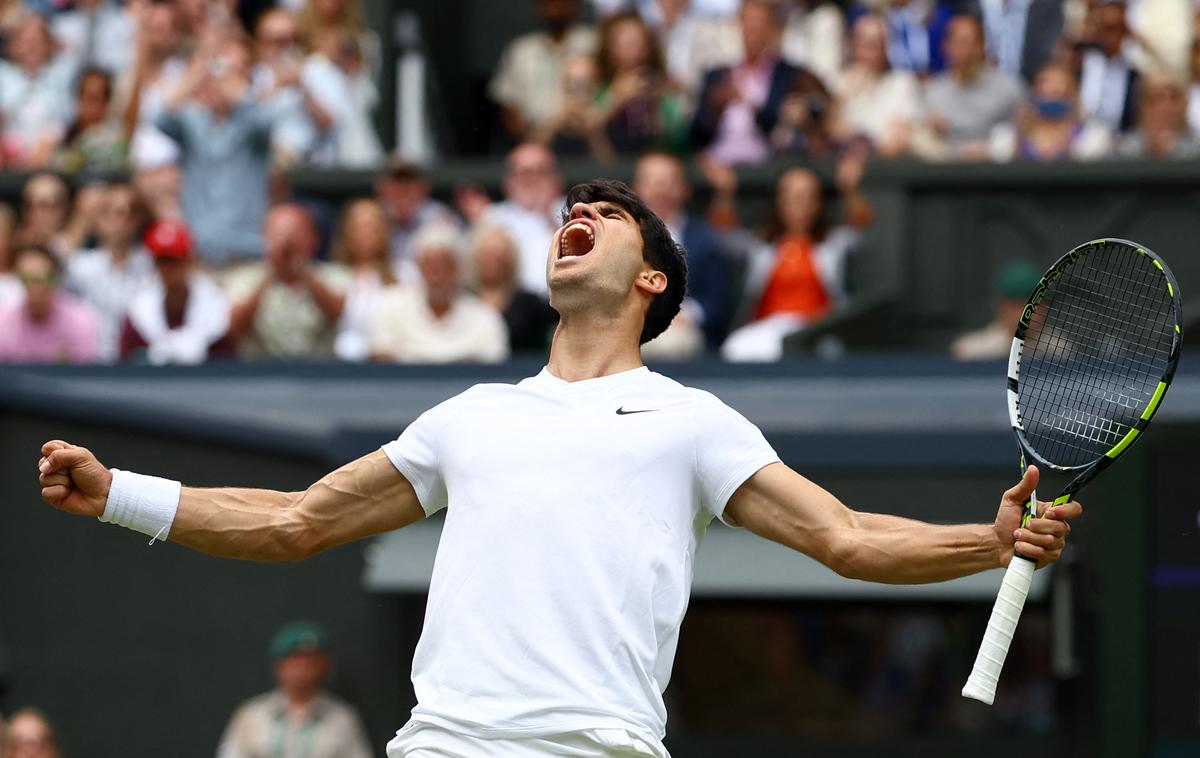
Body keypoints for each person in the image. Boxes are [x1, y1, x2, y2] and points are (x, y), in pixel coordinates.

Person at [34, 176, 1083, 756]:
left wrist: (985, 543)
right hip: (444, 743)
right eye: (569, 210)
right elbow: (294, 519)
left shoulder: (694, 421)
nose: (576, 216)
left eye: (610, 212)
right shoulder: (469, 415)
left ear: (654, 279)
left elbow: (846, 537)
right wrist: (117, 492)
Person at [721, 149, 873, 363]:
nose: (800, 204)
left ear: (819, 203)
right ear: (778, 201)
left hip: (814, 333)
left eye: (808, 196)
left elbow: (862, 227)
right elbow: (724, 235)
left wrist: (850, 189)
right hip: (767, 331)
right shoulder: (760, 246)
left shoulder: (833, 244)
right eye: (792, 196)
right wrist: (725, 192)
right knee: (736, 349)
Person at [156, 34, 272, 267]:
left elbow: (265, 123)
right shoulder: (193, 120)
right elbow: (161, 117)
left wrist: (236, 85)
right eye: (219, 71)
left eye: (235, 71)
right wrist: (197, 70)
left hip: (248, 251)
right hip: (199, 249)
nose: (222, 80)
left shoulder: (253, 118)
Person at [216, 621, 373, 758]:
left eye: (310, 662)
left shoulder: (342, 718)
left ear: (324, 666)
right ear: (279, 667)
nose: (302, 669)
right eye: (295, 662)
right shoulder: (250, 716)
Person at [690, 0, 808, 165]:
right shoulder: (718, 74)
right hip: (717, 160)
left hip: (767, 165)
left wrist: (748, 103)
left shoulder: (789, 75)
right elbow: (697, 133)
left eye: (760, 25)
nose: (753, 33)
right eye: (748, 25)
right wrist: (714, 109)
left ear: (773, 30)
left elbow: (782, 128)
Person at [370, 223, 509, 364]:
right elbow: (381, 360)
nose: (437, 277)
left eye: (445, 266)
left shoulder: (485, 318)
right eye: (430, 267)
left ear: (459, 270)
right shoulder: (390, 306)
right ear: (418, 268)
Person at [632, 150, 730, 350]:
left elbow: (717, 302)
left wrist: (682, 314)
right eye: (651, 182)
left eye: (668, 182)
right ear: (635, 189)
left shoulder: (706, 239)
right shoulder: (617, 236)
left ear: (685, 189)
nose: (660, 190)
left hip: (680, 331)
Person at [224, 204, 349, 359]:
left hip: (320, 374)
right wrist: (274, 272)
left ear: (314, 239)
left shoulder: (335, 275)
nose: (287, 242)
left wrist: (301, 271)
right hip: (259, 374)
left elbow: (343, 316)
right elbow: (233, 328)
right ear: (264, 239)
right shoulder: (244, 277)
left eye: (296, 233)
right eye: (277, 233)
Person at [119, 218, 233, 365]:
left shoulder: (215, 305)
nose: (169, 269)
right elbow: (125, 366)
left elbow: (227, 365)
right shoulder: (139, 309)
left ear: (189, 260)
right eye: (163, 261)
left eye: (174, 260)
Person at [65, 182, 156, 363]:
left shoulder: (153, 265)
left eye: (131, 213)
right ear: (99, 218)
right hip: (89, 362)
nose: (122, 220)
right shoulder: (79, 266)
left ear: (139, 219)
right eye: (113, 212)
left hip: (140, 364)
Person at [915, 14, 1024, 161]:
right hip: (946, 171)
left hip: (996, 171)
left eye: (968, 43)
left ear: (981, 47)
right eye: (957, 42)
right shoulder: (933, 92)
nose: (963, 50)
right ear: (946, 47)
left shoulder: (1009, 89)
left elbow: (1023, 135)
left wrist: (993, 149)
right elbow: (922, 143)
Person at [488, 0, 597, 141]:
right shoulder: (521, 50)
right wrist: (526, 141)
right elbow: (508, 102)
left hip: (586, 134)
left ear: (574, 6)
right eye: (548, 4)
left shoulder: (593, 43)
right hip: (535, 137)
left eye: (562, 3)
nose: (555, 8)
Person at [472, 142, 566, 297]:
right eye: (524, 172)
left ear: (555, 177)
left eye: (540, 171)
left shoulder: (571, 208)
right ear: (509, 180)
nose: (532, 180)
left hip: (564, 300)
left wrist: (547, 212)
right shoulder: (492, 216)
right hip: (513, 305)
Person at [592, 12, 689, 155]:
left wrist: (656, 107)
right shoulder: (599, 86)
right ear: (610, 48)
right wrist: (616, 98)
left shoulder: (661, 88)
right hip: (611, 166)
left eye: (639, 42)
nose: (634, 49)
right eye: (626, 42)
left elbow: (679, 138)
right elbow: (588, 127)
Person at [831, 12, 921, 158]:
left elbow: (897, 142)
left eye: (872, 45)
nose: (864, 52)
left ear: (885, 48)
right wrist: (845, 95)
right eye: (859, 44)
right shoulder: (840, 83)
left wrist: (861, 154)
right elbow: (833, 132)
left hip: (887, 170)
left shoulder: (902, 83)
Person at [989, 61, 1112, 161]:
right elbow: (1001, 158)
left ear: (1073, 94)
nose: (1053, 91)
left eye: (1059, 89)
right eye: (1046, 85)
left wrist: (1066, 146)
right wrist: (1019, 137)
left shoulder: (1093, 135)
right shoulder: (1007, 135)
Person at [468, 223, 559, 355]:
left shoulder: (529, 303)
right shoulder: (462, 300)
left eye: (498, 254)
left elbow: (563, 320)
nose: (491, 261)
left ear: (511, 259)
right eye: (486, 254)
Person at [0, 244, 99, 364]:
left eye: (46, 278)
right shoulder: (3, 322)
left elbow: (84, 374)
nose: (36, 287)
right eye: (27, 278)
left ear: (57, 278)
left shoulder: (81, 320)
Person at [0, 13, 75, 169]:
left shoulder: (60, 76)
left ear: (48, 46)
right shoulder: (3, 74)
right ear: (13, 45)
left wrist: (46, 145)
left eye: (38, 41)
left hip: (48, 157)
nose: (32, 47)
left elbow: (65, 119)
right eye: (25, 41)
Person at [330, 198, 400, 361]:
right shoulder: (331, 276)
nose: (366, 234)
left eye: (373, 227)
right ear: (346, 231)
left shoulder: (405, 274)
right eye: (359, 227)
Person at [374, 158, 460, 279]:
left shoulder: (441, 218)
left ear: (424, 187)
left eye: (409, 180)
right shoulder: (373, 219)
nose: (403, 188)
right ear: (382, 187)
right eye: (396, 181)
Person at [951, 260, 1041, 360]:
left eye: (1037, 304)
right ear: (1000, 306)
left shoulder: (1059, 349)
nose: (1028, 312)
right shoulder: (968, 352)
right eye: (1018, 304)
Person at [1076, 0, 1139, 134]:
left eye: (1116, 29)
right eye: (1105, 28)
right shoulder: (1080, 64)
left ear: (1125, 32)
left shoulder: (1134, 75)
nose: (1111, 36)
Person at [53, 67, 128, 173]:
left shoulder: (116, 136)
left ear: (106, 103)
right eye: (82, 95)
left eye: (94, 98)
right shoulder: (61, 133)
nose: (87, 104)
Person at [1116, 69, 1200, 158]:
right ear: (1141, 106)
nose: (1166, 107)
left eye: (1173, 97)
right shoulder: (1123, 150)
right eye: (1157, 98)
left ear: (1185, 104)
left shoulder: (1196, 149)